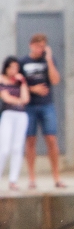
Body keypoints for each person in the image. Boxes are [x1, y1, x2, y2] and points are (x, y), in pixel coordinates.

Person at [20, 34, 64, 189]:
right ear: (31, 45)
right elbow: (17, 85)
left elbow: (55, 80)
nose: (40, 49)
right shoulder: (23, 62)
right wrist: (33, 89)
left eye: (43, 46)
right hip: (29, 106)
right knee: (30, 141)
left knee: (51, 139)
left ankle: (57, 177)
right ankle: (32, 178)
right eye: (38, 46)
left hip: (47, 105)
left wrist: (49, 59)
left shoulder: (48, 61)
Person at [0, 57, 30, 190]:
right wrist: (18, 100)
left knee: (17, 148)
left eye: (16, 68)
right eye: (11, 67)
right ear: (6, 68)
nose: (14, 70)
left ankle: (13, 179)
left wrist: (22, 82)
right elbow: (6, 98)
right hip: (8, 114)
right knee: (4, 148)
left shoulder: (20, 81)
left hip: (21, 115)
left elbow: (26, 98)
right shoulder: (2, 80)